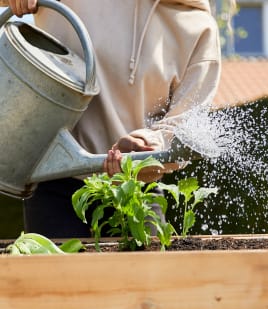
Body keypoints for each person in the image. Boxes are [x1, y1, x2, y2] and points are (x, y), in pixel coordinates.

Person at [7, 0, 221, 237]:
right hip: (54, 178)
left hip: (136, 188)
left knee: (144, 274)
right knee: (57, 274)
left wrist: (149, 144)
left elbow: (185, 125)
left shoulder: (202, 30)